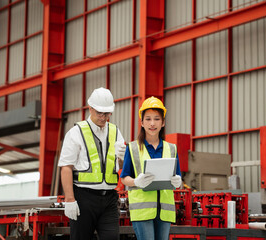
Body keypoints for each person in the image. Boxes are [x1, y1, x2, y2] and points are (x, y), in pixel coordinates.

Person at [59, 87, 127, 240]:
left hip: (109, 198)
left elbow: (121, 166)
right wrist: (70, 200)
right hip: (84, 198)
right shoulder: (76, 132)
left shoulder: (115, 132)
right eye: (99, 113)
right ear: (90, 108)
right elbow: (66, 167)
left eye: (107, 113)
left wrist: (123, 157)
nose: (103, 117)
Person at [120, 96, 182, 240]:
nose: (152, 123)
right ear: (141, 123)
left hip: (164, 212)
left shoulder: (171, 148)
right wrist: (136, 182)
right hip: (142, 212)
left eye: (156, 119)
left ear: (163, 122)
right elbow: (124, 178)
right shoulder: (133, 148)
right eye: (148, 119)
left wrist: (178, 182)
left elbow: (177, 177)